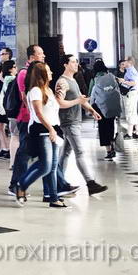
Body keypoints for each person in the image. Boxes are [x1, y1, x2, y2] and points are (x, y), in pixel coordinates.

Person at [14, 62, 67, 209]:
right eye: (48, 71)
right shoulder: (36, 90)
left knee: (53, 167)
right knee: (46, 165)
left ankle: (53, 197)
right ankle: (21, 184)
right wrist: (50, 129)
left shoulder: (48, 90)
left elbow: (54, 108)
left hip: (53, 130)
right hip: (42, 130)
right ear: (42, 74)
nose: (51, 73)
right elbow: (38, 113)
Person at [55, 55, 108, 195]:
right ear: (65, 65)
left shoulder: (73, 80)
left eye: (76, 62)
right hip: (69, 121)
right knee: (80, 152)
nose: (76, 64)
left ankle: (57, 182)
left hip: (75, 120)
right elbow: (59, 103)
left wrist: (92, 110)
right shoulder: (62, 82)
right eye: (73, 62)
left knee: (65, 153)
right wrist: (78, 101)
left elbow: (81, 99)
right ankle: (90, 183)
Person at [8, 44, 43, 196]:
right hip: (27, 118)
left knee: (45, 154)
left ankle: (57, 187)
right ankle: (15, 184)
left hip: (35, 117)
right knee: (24, 153)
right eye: (40, 53)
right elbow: (25, 97)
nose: (43, 56)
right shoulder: (24, 73)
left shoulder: (37, 71)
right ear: (32, 56)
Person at [89, 59, 122, 160]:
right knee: (111, 126)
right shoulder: (111, 77)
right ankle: (112, 145)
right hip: (112, 105)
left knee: (103, 128)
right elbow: (117, 90)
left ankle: (109, 150)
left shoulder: (95, 79)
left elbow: (92, 94)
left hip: (100, 107)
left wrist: (90, 108)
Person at [0, 59, 18, 162]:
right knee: (12, 132)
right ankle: (7, 149)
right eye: (14, 67)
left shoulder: (6, 78)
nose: (16, 69)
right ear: (10, 69)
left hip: (5, 107)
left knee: (8, 130)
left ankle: (6, 149)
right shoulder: (11, 78)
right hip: (9, 107)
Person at [119, 56, 138, 138]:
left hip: (130, 94)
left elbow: (133, 83)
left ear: (129, 62)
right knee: (133, 113)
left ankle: (129, 133)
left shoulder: (131, 71)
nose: (123, 62)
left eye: (125, 61)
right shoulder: (129, 71)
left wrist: (124, 81)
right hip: (131, 93)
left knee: (130, 113)